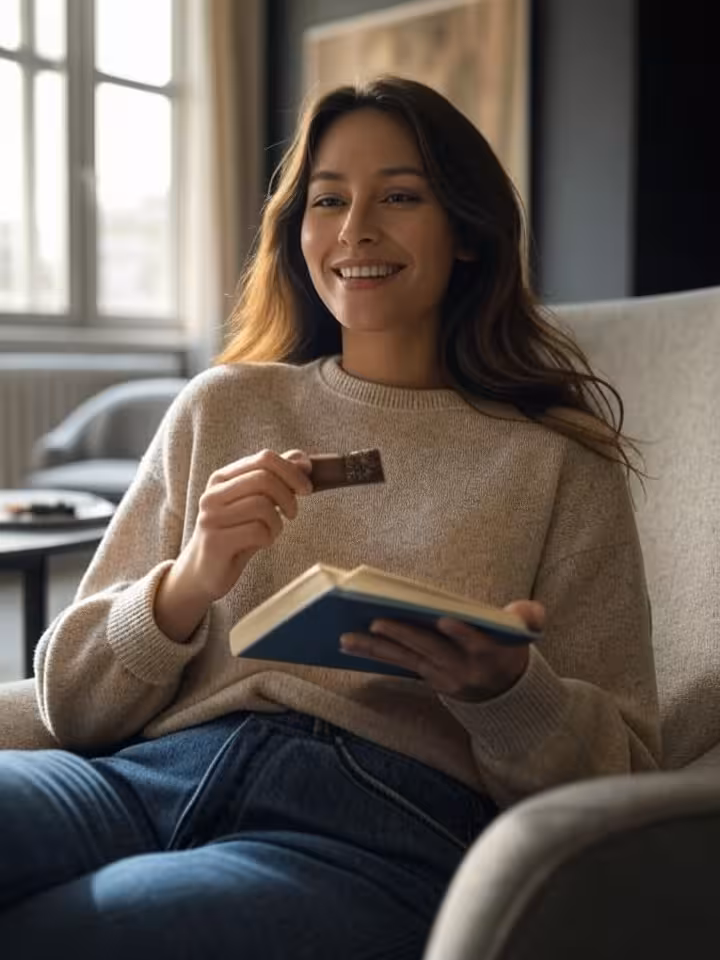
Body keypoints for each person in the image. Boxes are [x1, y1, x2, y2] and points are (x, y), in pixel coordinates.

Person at [0, 76, 660, 959]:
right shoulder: (222, 406)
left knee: (87, 927)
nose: (355, 230)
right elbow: (70, 706)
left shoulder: (559, 464)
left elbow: (625, 782)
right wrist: (187, 583)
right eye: (328, 200)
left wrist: (507, 692)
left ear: (466, 231)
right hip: (143, 777)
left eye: (399, 195)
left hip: (376, 824)